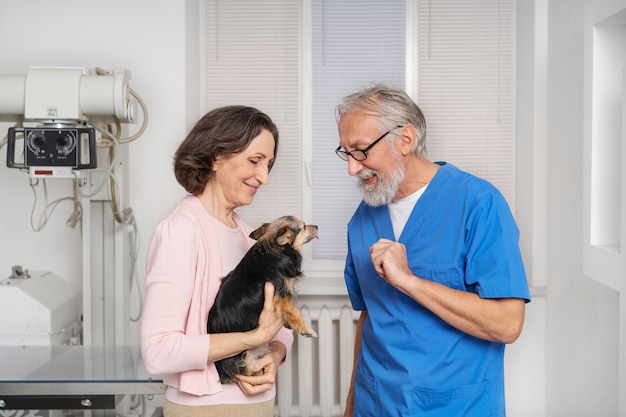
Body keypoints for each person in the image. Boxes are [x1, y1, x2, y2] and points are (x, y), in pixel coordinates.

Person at [334, 84, 531, 417]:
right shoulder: (362, 220)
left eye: (360, 150)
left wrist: (410, 281)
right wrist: (351, 405)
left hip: (455, 405)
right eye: (345, 153)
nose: (352, 168)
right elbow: (371, 317)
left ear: (405, 140)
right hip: (375, 403)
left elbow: (507, 325)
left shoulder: (478, 204)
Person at [141, 105, 293, 417]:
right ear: (215, 157)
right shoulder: (181, 231)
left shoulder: (250, 236)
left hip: (260, 406)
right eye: (254, 161)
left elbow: (279, 326)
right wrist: (255, 338)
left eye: (269, 165)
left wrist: (274, 355)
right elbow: (158, 352)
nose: (264, 177)